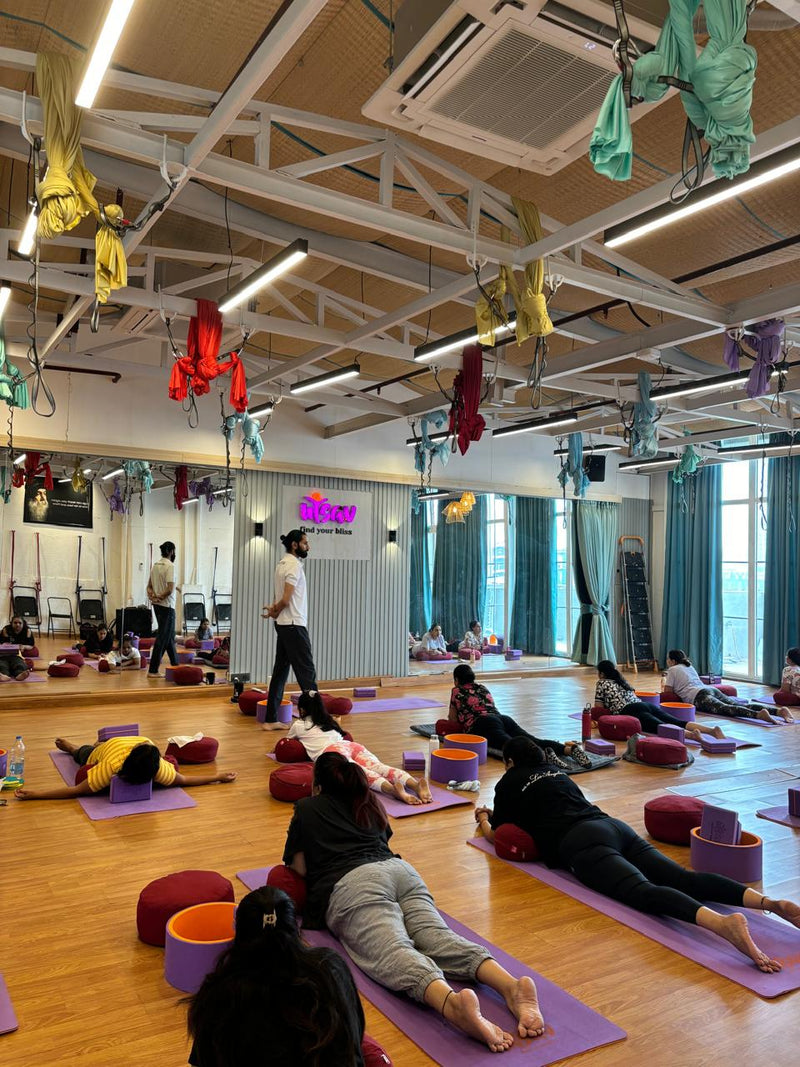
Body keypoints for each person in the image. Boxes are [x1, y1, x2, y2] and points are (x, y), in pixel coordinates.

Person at [283, 751, 545, 1051]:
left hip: (353, 883)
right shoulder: (369, 803)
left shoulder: (306, 807)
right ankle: (510, 985)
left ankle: (451, 1005)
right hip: (401, 873)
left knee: (391, 949)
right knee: (436, 936)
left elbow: (300, 869)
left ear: (317, 785)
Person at [475, 737, 800, 973]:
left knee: (642, 891)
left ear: (510, 762)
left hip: (581, 843)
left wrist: (484, 819)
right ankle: (767, 903)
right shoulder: (556, 771)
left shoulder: (508, 783)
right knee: (681, 877)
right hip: (613, 825)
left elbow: (497, 837)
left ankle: (721, 923)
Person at [186, 885, 391, 1066]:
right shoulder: (330, 969)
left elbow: (205, 1058)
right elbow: (352, 1042)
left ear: (239, 934)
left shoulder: (217, 992)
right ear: (295, 929)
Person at [286, 691, 432, 805]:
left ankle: (392, 790)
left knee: (363, 773)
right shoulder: (329, 721)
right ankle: (415, 784)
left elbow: (287, 742)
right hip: (350, 745)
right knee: (380, 767)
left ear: (302, 710)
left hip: (333, 753)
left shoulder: (299, 725)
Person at [449, 664, 592, 768]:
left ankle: (545, 756)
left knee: (516, 746)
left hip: (483, 723)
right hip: (503, 718)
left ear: (456, 680)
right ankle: (570, 749)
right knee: (532, 739)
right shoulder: (482, 687)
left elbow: (453, 719)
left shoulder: (457, 691)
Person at [14, 735, 236, 800]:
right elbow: (76, 791)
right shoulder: (111, 765)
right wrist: (36, 794)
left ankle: (98, 742)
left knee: (172, 775)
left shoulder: (158, 766)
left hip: (139, 741)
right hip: (110, 748)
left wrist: (218, 776)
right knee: (82, 754)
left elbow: (185, 780)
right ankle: (73, 746)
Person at [262, 531, 318, 731]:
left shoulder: (281, 564)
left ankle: (270, 719)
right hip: (294, 625)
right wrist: (276, 610)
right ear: (295, 545)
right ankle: (316, 720)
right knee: (307, 673)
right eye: (305, 543)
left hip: (285, 624)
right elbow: (285, 599)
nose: (308, 547)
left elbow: (281, 600)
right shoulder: (293, 565)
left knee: (280, 671)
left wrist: (274, 614)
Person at [594, 660, 728, 740]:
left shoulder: (602, 683)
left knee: (659, 726)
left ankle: (691, 736)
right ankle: (711, 730)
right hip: (644, 704)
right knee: (676, 721)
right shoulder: (621, 681)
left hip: (630, 711)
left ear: (602, 673)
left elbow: (598, 707)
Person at [664, 650, 794, 724]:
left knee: (727, 708)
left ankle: (758, 715)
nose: (667, 662)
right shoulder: (689, 666)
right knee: (738, 704)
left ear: (673, 661)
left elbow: (668, 692)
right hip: (711, 689)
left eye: (668, 659)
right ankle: (778, 711)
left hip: (698, 696)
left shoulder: (672, 670)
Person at [147, 541, 179, 678]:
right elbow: (170, 588)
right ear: (171, 551)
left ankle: (175, 663)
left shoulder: (155, 565)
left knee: (169, 635)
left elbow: (149, 586)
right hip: (167, 606)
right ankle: (153, 670)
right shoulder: (170, 566)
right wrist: (160, 596)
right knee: (162, 637)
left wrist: (152, 597)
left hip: (157, 605)